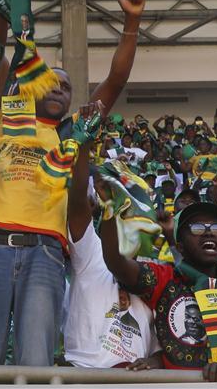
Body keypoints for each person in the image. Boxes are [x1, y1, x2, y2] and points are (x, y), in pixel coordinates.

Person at [0, 0, 146, 367]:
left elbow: (115, 80)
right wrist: (3, 1)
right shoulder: (5, 117)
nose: (60, 89)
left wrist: (131, 23)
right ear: (31, 86)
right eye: (52, 81)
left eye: (66, 87)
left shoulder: (73, 134)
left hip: (46, 254)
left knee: (36, 363)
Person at [99, 200, 217, 381]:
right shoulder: (165, 278)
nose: (209, 232)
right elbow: (116, 262)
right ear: (181, 246)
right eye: (197, 228)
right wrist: (108, 207)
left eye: (216, 228)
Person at [63, 103, 160, 369]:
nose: (124, 211)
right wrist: (83, 145)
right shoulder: (91, 249)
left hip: (135, 382)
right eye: (118, 205)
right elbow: (78, 204)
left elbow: (159, 349)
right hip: (84, 375)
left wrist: (152, 362)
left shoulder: (155, 272)